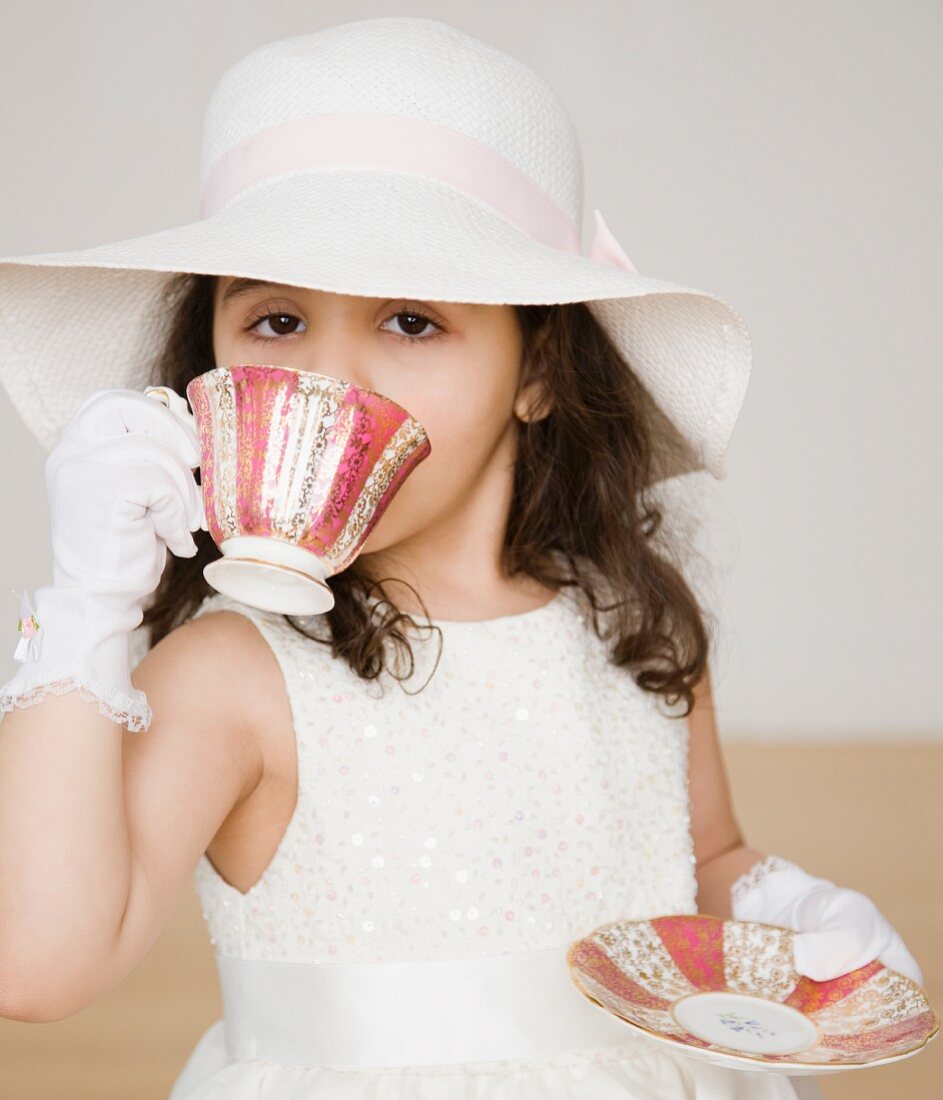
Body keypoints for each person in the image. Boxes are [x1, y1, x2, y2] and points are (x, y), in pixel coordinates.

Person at [0, 17, 923, 1100]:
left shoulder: (635, 624)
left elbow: (699, 865)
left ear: (536, 370)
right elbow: (37, 963)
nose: (328, 379)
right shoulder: (235, 673)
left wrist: (784, 908)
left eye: (408, 319)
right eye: (279, 317)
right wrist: (87, 603)